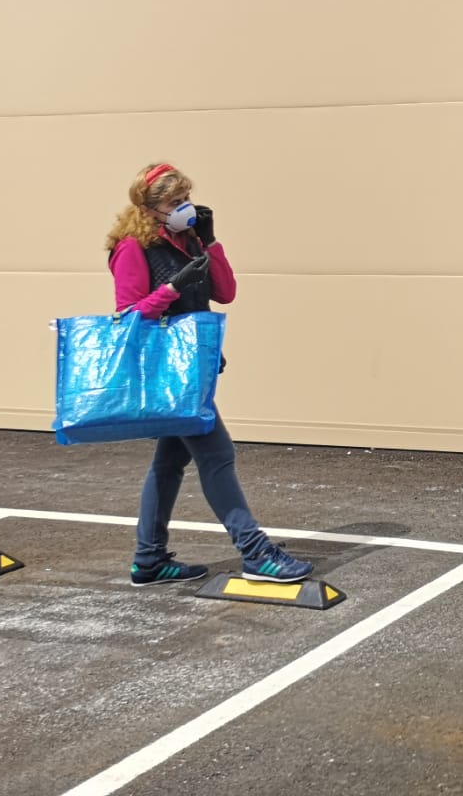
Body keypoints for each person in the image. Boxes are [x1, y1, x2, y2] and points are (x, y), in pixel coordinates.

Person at [106, 162, 313, 587]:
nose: (184, 207)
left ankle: (149, 560)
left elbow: (226, 292)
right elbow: (127, 318)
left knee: (170, 461)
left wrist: (210, 241)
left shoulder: (189, 241)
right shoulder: (132, 248)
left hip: (191, 369)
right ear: (150, 208)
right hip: (167, 373)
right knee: (216, 455)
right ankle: (256, 553)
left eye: (186, 199)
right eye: (175, 202)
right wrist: (171, 289)